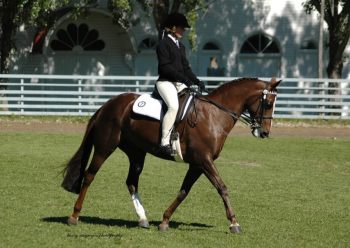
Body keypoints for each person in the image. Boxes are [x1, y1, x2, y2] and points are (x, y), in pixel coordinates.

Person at [156, 12, 206, 156]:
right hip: (165, 82)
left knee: (195, 102)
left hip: (179, 83)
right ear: (172, 28)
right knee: (173, 106)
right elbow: (165, 67)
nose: (183, 31)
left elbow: (186, 68)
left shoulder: (181, 46)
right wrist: (185, 80)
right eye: (181, 28)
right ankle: (164, 143)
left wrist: (197, 81)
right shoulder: (163, 44)